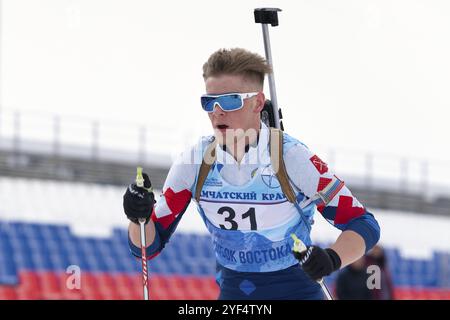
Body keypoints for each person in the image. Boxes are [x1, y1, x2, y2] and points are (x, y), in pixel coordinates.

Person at [123, 48, 381, 300]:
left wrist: (332, 258)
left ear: (257, 102)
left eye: (230, 100)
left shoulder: (291, 157)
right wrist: (138, 217)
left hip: (298, 290)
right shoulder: (193, 163)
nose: (217, 111)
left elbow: (362, 223)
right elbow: (146, 247)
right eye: (209, 102)